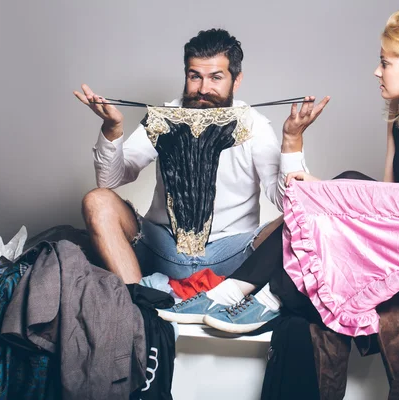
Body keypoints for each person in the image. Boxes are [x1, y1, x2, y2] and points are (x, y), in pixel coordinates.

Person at [160, 10, 399, 335]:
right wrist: (321, 193)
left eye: (384, 62)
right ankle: (232, 292)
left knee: (350, 182)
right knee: (336, 196)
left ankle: (270, 299)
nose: (377, 71)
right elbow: (383, 204)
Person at [73, 28, 330, 284]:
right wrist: (111, 129)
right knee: (97, 201)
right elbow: (109, 180)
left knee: (307, 215)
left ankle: (232, 293)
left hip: (233, 253)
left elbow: (289, 204)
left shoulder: (254, 124)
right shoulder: (165, 115)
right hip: (161, 247)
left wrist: (293, 139)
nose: (203, 89)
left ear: (236, 80)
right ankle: (134, 303)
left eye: (216, 77)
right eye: (195, 76)